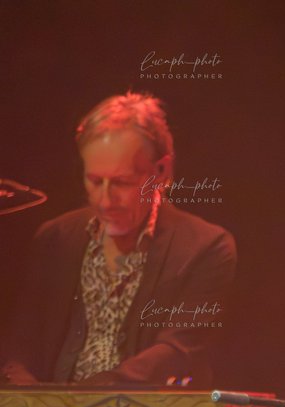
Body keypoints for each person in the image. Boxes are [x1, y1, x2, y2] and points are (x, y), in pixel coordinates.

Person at [0, 91, 235, 387]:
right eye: (95, 181)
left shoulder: (206, 247)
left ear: (161, 171)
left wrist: (74, 401)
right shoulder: (55, 238)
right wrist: (23, 392)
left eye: (122, 183)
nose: (105, 201)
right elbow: (22, 343)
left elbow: (178, 350)